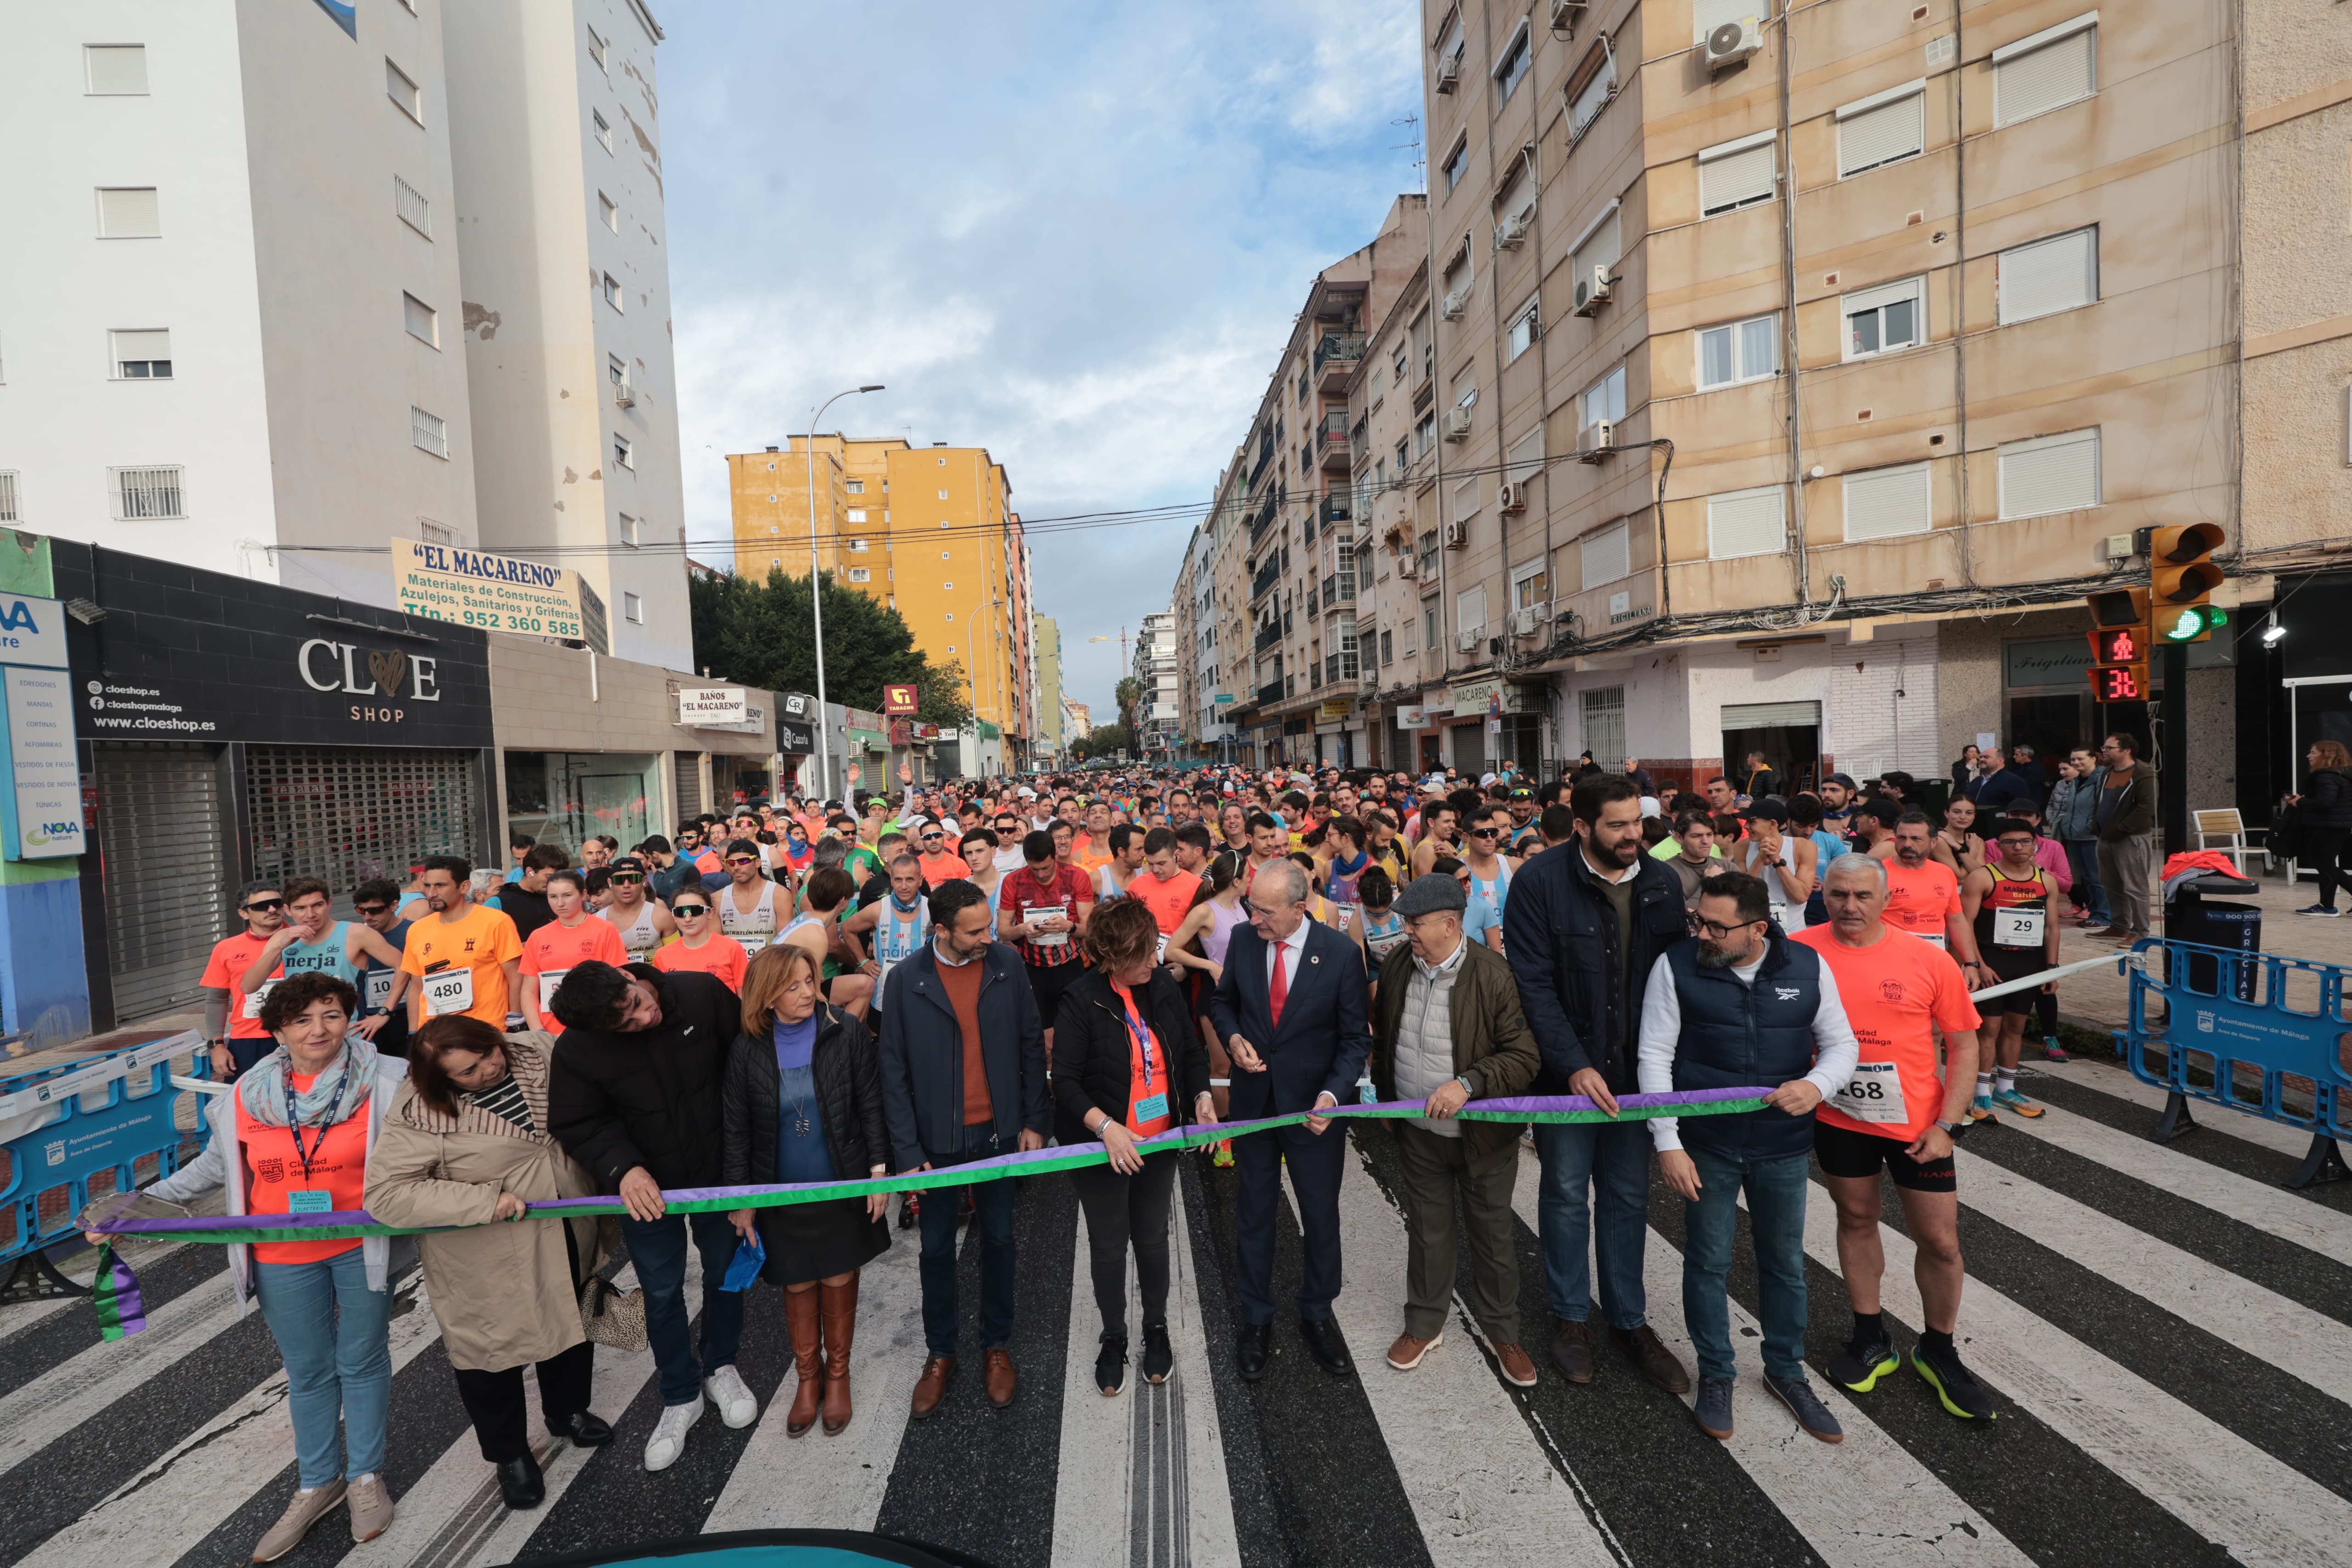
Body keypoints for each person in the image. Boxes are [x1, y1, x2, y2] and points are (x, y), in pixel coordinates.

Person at [134, 972, 408, 1557]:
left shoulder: (389, 1078)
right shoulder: (243, 1095)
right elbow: (213, 1169)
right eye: (302, 1019)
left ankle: (365, 1477)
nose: (319, 1029)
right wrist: (140, 1202)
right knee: (308, 1370)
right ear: (278, 1029)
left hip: (361, 1243)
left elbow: (431, 1146)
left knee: (360, 1359)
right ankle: (318, 1481)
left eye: (332, 1014)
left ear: (348, 1017)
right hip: (280, 1250)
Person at [1641, 874, 1859, 1443]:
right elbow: (1654, 1054)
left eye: (1716, 926)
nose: (1703, 934)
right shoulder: (1676, 964)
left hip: (1781, 1146)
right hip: (1707, 1146)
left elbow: (1841, 1043)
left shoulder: (1807, 967)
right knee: (1707, 1260)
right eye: (1698, 921)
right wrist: (1668, 1141)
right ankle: (1716, 1371)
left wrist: (1816, 1085)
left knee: (1784, 1263)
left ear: (1758, 928)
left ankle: (1786, 1371)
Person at [364, 1017, 613, 1509]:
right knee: (490, 1356)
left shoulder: (535, 1050)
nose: (487, 1069)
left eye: (487, 1055)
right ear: (441, 1079)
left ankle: (568, 1411)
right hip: (487, 1251)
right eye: (467, 1072)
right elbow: (386, 1193)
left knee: (574, 1318)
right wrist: (482, 1200)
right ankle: (510, 1454)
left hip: (566, 1221)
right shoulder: (419, 1109)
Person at [1502, 776, 1692, 1395]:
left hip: (1639, 1079)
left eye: (1636, 822)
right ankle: (1570, 1316)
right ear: (1581, 826)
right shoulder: (1538, 883)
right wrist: (1572, 1063)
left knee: (1627, 1198)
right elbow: (1532, 983)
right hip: (1569, 1080)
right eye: (1617, 825)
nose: (1633, 835)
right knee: (1562, 1193)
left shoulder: (1661, 883)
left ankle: (1629, 1321)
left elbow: (1673, 981)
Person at [1794, 855, 1995, 1421]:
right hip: (1838, 1118)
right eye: (1837, 894)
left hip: (1917, 1127)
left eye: (1861, 895)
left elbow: (1962, 1045)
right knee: (1855, 1218)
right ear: (1823, 895)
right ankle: (1869, 1334)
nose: (1849, 906)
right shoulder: (1799, 950)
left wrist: (1948, 1125)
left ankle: (1938, 1347)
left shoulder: (1928, 958)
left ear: (1886, 898)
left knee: (1939, 1240)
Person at [547, 961, 752, 1472]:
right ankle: (681, 1391)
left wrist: (745, 1165)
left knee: (726, 1275)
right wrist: (623, 1168)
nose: (643, 1016)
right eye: (625, 1022)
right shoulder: (577, 1048)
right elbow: (578, 1119)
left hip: (718, 1171)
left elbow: (747, 1064)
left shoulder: (700, 992)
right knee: (660, 1291)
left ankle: (722, 1365)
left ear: (626, 973)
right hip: (646, 1188)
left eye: (637, 1000)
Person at [877, 878, 1050, 1418]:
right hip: (936, 1144)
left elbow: (1029, 1042)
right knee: (933, 1250)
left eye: (988, 925)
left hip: (999, 1133)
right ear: (941, 929)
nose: (987, 936)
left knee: (1000, 1238)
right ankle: (941, 1351)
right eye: (975, 930)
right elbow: (893, 1072)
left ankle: (995, 1344)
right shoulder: (905, 980)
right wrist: (907, 1152)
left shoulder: (1006, 963)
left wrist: (1033, 1121)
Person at [1368, 875, 1543, 1385]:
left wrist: (1467, 1084)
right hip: (1418, 1131)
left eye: (1415, 923)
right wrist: (1386, 1099)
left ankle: (1502, 1329)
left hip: (1482, 1135)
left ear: (1450, 923)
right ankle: (1424, 1324)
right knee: (1427, 1228)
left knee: (1491, 1234)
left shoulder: (1492, 974)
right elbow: (1386, 1033)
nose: (1406, 932)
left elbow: (1523, 1055)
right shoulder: (1400, 963)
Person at [1208, 859, 1373, 1381]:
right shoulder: (1243, 939)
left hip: (1314, 1112)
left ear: (1300, 908)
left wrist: (1331, 1093)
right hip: (1256, 1104)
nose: (1253, 916)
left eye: (1265, 910)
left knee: (1319, 1216)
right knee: (1253, 1215)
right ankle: (1256, 1318)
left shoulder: (1342, 954)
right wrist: (1232, 1038)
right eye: (1250, 904)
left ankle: (1317, 1312)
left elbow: (1354, 1040)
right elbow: (1222, 1002)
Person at [723, 944, 892, 1438]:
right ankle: (807, 1378)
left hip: (841, 1181)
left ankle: (837, 1375)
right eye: (792, 984)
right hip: (779, 1191)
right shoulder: (746, 1047)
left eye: (808, 980)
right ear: (766, 994)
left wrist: (879, 1172)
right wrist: (742, 1197)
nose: (806, 992)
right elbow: (735, 1129)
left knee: (839, 1275)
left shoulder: (845, 1030)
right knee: (796, 1282)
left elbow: (870, 1104)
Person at [1055, 898, 1216, 1395]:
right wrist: (1105, 1126)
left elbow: (1189, 1049)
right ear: (1114, 956)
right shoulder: (1079, 998)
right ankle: (1113, 1334)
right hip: (1103, 1145)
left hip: (1159, 1138)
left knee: (1150, 1237)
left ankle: (1155, 1326)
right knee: (1107, 1244)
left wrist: (1202, 1095)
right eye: (1144, 954)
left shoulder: (1161, 984)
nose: (1156, 961)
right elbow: (1064, 1079)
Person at [1961, 820, 2057, 1120]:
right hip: (1992, 962)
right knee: (1988, 1030)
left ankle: (2005, 1087)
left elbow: (2052, 927)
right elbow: (1964, 925)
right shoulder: (1983, 877)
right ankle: (1980, 1093)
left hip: (2028, 964)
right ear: (1998, 846)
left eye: (2025, 841)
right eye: (2010, 842)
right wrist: (1977, 965)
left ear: (2035, 844)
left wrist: (2051, 968)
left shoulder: (2046, 880)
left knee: (2016, 1028)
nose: (2018, 847)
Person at [243, 879, 410, 1040]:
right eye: (300, 908)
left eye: (317, 905)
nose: (310, 915)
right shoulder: (282, 938)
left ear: (329, 903)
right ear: (287, 910)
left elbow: (404, 965)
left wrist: (385, 1013)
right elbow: (249, 986)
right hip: (304, 1038)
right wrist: (280, 946)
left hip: (349, 1036)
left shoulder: (356, 933)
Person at [400, 857, 525, 1032]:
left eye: (441, 886)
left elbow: (515, 976)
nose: (431, 894)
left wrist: (515, 1020)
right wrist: (414, 1033)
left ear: (465, 887)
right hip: (436, 1036)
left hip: (486, 1031)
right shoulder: (417, 930)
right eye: (427, 886)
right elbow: (416, 987)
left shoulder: (496, 922)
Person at [997, 829, 1094, 1052]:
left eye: (1046, 868)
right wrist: (1023, 929)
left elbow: (1090, 929)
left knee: (1076, 1035)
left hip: (1070, 966)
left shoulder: (1076, 877)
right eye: (1035, 869)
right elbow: (1003, 931)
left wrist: (1068, 926)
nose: (1041, 874)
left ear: (1056, 856)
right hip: (1033, 969)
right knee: (1043, 1043)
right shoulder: (1014, 881)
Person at [519, 871, 628, 1032]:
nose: (560, 903)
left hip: (594, 1027)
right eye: (553, 897)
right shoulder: (538, 937)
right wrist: (538, 1030)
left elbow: (618, 981)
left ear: (583, 894)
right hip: (550, 1030)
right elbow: (529, 991)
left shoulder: (604, 930)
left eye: (567, 895)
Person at [202, 881, 291, 1078]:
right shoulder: (226, 948)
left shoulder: (305, 940)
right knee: (246, 1105)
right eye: (260, 906)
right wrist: (216, 1045)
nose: (271, 909)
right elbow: (217, 999)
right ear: (244, 913)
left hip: (300, 1035)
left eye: (276, 903)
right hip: (249, 1040)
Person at [2092, 731, 2158, 943]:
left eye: (2110, 748)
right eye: (2104, 747)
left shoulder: (2143, 774)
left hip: (2130, 839)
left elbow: (2146, 808)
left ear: (2126, 750)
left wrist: (2120, 829)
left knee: (2135, 887)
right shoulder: (2107, 773)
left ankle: (2140, 932)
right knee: (2111, 884)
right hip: (2105, 838)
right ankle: (2119, 926)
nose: (2104, 751)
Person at [350, 878, 417, 1057]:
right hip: (368, 1018)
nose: (367, 917)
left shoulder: (415, 932)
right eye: (361, 911)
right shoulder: (357, 936)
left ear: (394, 905)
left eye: (375, 911)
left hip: (407, 1014)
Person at [2286, 739, 2352, 916]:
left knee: (2326, 867)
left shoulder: (2325, 776)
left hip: (2325, 827)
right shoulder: (2342, 774)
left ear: (2327, 755)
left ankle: (2327, 907)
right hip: (2339, 827)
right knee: (2327, 866)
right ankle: (2327, 906)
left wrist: (2300, 801)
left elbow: (2326, 803)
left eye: (2314, 753)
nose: (2309, 756)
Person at [2047, 751, 2107, 928]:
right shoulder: (2075, 781)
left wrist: (2091, 826)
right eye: (2073, 759)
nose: (2076, 762)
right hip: (2073, 835)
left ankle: (2104, 915)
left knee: (2097, 878)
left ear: (2093, 759)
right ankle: (2094, 913)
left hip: (2091, 836)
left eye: (2080, 759)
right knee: (2086, 878)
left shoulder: (2101, 778)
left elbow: (2103, 806)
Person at [1736, 800, 1813, 931]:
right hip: (1753, 928)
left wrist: (1777, 860)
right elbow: (1742, 894)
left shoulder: (1803, 847)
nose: (1746, 826)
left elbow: (1800, 897)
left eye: (1752, 822)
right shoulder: (1741, 847)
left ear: (1772, 824)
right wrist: (1760, 859)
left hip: (1793, 930)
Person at [653, 892, 751, 991]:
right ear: (674, 916)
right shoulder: (662, 955)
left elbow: (744, 994)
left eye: (695, 911)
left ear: (711, 913)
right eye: (680, 912)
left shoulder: (732, 948)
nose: (688, 919)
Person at [1457, 804, 1515, 952]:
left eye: (1493, 833)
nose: (1489, 838)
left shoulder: (1514, 866)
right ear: (1467, 837)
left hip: (1512, 952)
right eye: (1483, 834)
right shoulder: (1456, 872)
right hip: (1473, 956)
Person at [600, 855, 678, 961]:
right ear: (610, 883)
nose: (626, 885)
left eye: (633, 879)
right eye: (619, 880)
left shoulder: (662, 916)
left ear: (644, 881)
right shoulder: (597, 920)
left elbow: (675, 957)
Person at [490, 845, 570, 942]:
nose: (554, 882)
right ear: (530, 872)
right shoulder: (498, 902)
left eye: (559, 878)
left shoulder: (562, 900)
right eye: (549, 877)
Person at [714, 838, 786, 947]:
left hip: (769, 962)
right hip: (732, 963)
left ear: (757, 862)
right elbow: (716, 945)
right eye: (731, 862)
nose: (737, 867)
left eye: (744, 861)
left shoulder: (780, 895)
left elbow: (784, 944)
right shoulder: (717, 899)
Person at [1660, 810, 1723, 914]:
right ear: (1679, 838)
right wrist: (1708, 883)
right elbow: (1678, 913)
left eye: (1710, 835)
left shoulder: (1728, 867)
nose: (1706, 841)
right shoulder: (1666, 873)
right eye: (1697, 836)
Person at [1929, 794, 1987, 884]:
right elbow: (1959, 879)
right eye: (1957, 812)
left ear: (1974, 816)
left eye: (1969, 813)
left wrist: (1959, 846)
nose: (1963, 817)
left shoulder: (1976, 841)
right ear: (1946, 814)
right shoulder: (1939, 839)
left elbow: (1984, 875)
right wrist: (1969, 851)